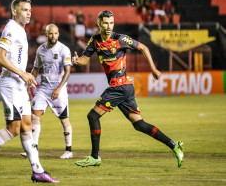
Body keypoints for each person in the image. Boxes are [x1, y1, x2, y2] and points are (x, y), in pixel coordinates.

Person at [0, 0, 59, 183]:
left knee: (27, 127)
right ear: (14, 11)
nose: (28, 13)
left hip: (18, 85)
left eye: (30, 10)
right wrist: (22, 73)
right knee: (14, 128)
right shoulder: (11, 28)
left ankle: (38, 171)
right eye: (24, 10)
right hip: (9, 84)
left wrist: (24, 79)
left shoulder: (20, 31)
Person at [72, 10, 184, 168]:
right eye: (105, 23)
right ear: (99, 24)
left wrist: (152, 69)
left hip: (120, 85)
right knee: (139, 124)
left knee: (92, 116)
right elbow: (85, 60)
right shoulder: (95, 40)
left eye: (111, 22)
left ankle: (95, 157)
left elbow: (143, 47)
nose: (109, 26)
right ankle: (174, 145)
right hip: (124, 87)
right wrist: (77, 60)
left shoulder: (120, 39)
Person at [20, 24, 73, 159]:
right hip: (43, 88)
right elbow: (36, 69)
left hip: (58, 89)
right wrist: (30, 84)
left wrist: (59, 88)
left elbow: (67, 71)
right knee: (35, 115)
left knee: (64, 120)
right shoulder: (41, 49)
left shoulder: (64, 49)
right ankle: (33, 148)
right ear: (46, 34)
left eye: (55, 33)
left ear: (58, 34)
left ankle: (69, 150)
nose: (53, 36)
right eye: (50, 34)